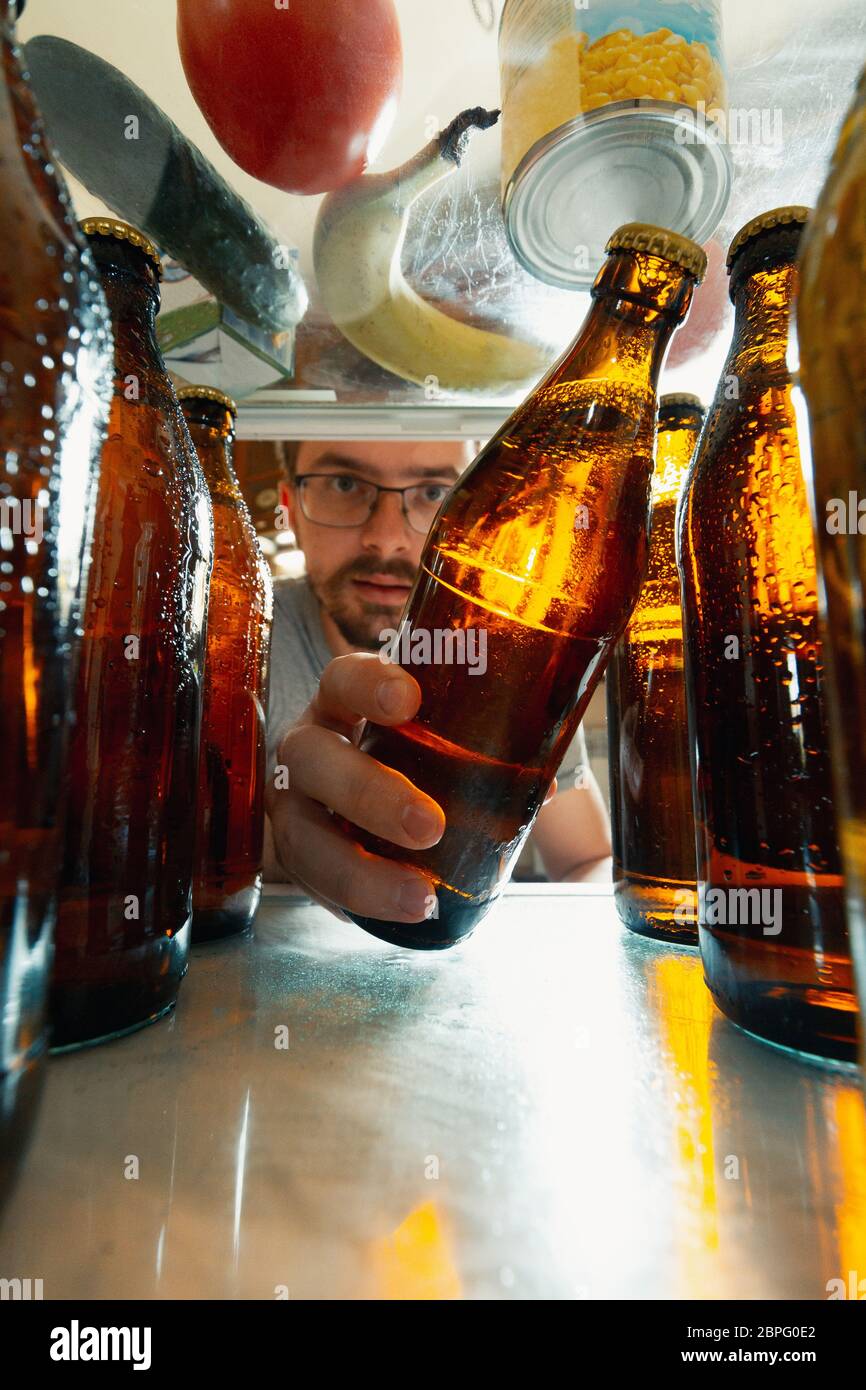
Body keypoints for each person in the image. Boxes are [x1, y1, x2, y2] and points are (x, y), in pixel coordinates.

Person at [264, 439, 612, 922]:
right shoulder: (231, 631)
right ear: (291, 511)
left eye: (434, 491)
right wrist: (265, 849)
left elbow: (588, 859)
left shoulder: (515, 664)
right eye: (343, 484)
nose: (386, 538)